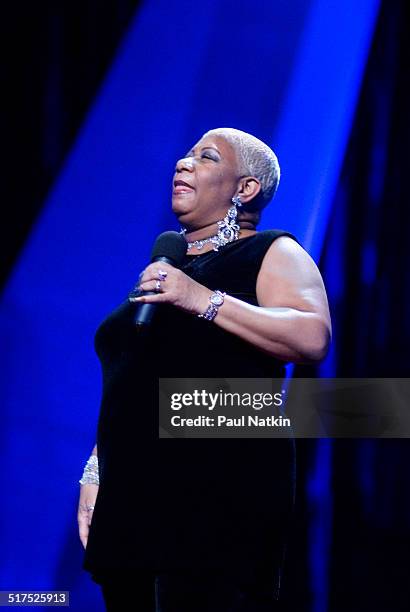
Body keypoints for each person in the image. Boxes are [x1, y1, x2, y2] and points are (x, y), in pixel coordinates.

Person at [78, 127, 331, 610]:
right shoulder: (170, 267)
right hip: (132, 497)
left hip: (214, 492)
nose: (183, 163)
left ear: (245, 188)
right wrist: (96, 468)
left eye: (206, 157)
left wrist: (202, 300)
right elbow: (134, 380)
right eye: (186, 155)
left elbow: (311, 335)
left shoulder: (270, 251)